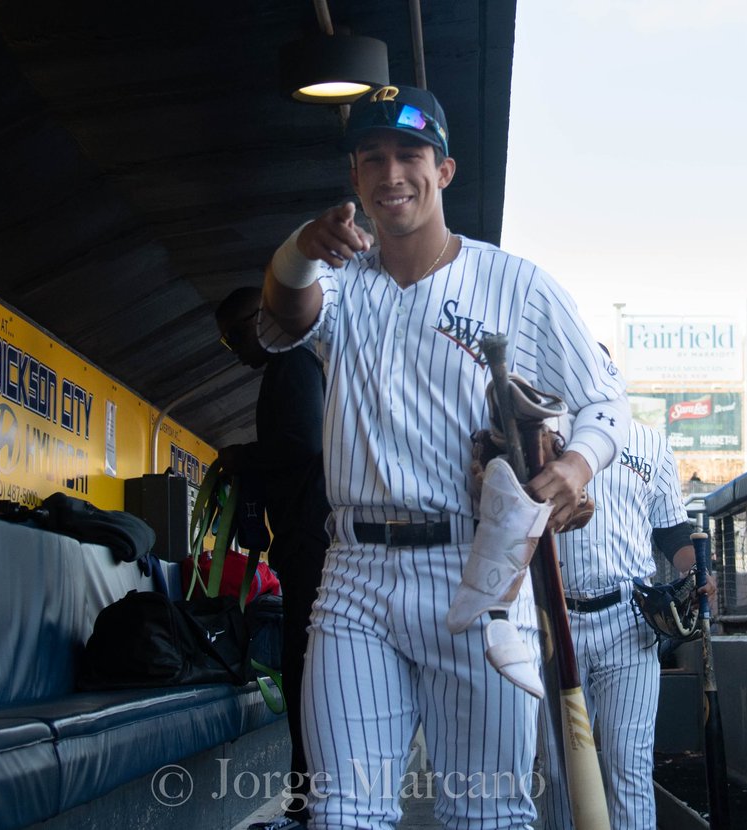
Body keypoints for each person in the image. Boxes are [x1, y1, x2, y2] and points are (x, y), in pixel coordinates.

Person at [258, 84, 629, 829]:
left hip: (478, 564)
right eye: (374, 160)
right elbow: (281, 314)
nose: (392, 174)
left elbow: (606, 402)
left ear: (445, 171)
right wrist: (299, 246)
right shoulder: (340, 279)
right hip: (355, 572)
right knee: (340, 814)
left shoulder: (516, 284)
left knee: (486, 815)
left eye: (410, 156)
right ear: (356, 180)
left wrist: (575, 466)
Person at [538, 388, 717, 829]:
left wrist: (699, 573)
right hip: (556, 618)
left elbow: (672, 532)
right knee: (560, 769)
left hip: (629, 617)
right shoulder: (545, 439)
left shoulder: (650, 441)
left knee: (629, 763)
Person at [215, 287, 331, 830]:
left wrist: (243, 457)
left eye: (236, 333)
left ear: (262, 317)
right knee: (302, 669)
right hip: (304, 540)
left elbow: (303, 442)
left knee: (304, 670)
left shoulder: (292, 361)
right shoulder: (288, 366)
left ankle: (307, 809)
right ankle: (309, 806)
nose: (234, 348)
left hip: (312, 540)